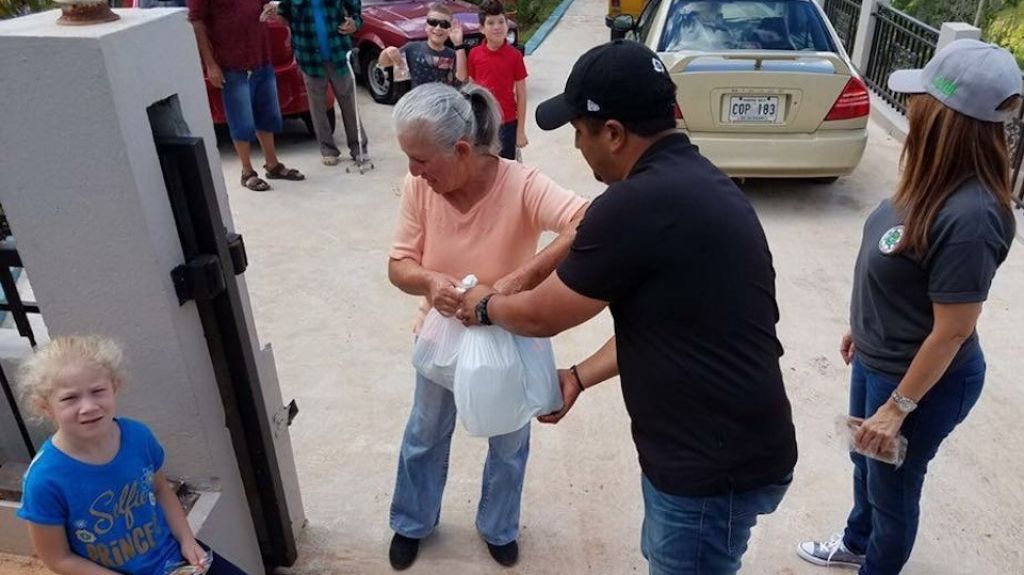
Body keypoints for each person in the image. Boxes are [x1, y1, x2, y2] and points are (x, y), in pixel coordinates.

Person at [456, 39, 798, 575]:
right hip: (726, 449)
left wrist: (484, 306)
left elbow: (541, 314)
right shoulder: (701, 182)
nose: (576, 146)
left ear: (613, 133)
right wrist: (577, 376)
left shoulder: (638, 205)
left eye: (579, 131)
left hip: (708, 468)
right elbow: (670, 324)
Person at [797, 39, 1020, 574]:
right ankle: (855, 543)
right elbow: (896, 262)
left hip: (920, 384)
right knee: (865, 463)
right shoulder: (930, 178)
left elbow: (953, 330)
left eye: (921, 98)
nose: (912, 106)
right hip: (880, 360)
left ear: (944, 116)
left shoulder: (972, 216)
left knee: (893, 493)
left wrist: (898, 408)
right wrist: (863, 325)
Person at [386, 82, 587, 570]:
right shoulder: (420, 188)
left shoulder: (521, 184)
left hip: (509, 333)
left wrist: (519, 281)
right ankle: (412, 521)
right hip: (441, 334)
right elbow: (399, 265)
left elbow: (586, 219)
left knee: (510, 440)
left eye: (421, 159)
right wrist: (430, 282)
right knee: (425, 432)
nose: (412, 171)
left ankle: (498, 525)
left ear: (459, 150)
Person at [16, 336, 248, 575]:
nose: (88, 406)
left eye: (98, 391)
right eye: (69, 398)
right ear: (45, 406)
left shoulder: (138, 436)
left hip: (174, 558)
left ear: (114, 387)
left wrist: (188, 540)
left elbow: (160, 490)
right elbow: (58, 558)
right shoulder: (44, 480)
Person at [189, 0, 306, 191]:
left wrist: (270, 9)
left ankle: (273, 164)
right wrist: (210, 64)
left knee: (268, 115)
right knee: (241, 119)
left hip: (261, 57)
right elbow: (197, 21)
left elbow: (265, 4)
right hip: (231, 64)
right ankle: (247, 171)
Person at [264, 0, 370, 167]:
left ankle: (359, 149)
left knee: (349, 102)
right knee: (317, 106)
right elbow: (284, 16)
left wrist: (354, 24)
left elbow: (356, 13)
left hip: (338, 53)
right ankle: (328, 150)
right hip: (309, 57)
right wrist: (274, 14)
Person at [455, 0, 527, 161]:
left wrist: (520, 131)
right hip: (482, 121)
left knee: (506, 166)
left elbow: (522, 94)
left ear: (507, 25)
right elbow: (470, 87)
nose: (497, 27)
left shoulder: (515, 56)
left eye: (501, 21)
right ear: (482, 29)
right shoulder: (474, 54)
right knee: (482, 164)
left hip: (507, 122)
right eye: (491, 23)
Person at [377, 3, 465, 88]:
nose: (438, 28)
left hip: (443, 101)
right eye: (433, 22)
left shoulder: (453, 54)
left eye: (444, 24)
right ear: (426, 26)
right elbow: (384, 64)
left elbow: (461, 77)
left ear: (449, 29)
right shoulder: (411, 48)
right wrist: (387, 52)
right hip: (417, 101)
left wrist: (458, 44)